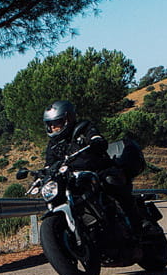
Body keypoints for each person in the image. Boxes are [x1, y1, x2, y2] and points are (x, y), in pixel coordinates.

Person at [42, 100, 143, 234]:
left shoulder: (83, 128)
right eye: (51, 124)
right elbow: (49, 163)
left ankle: (138, 226)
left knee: (111, 181)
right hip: (74, 178)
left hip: (98, 170)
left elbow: (94, 135)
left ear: (68, 118)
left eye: (57, 123)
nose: (54, 127)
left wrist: (96, 141)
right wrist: (43, 173)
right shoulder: (53, 145)